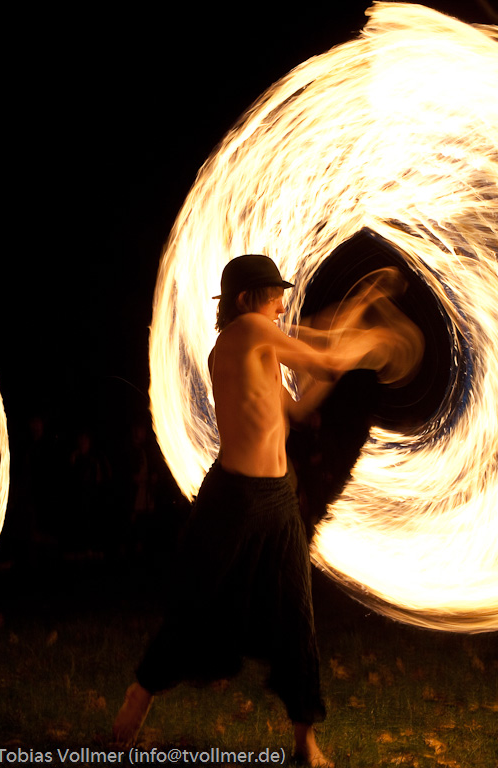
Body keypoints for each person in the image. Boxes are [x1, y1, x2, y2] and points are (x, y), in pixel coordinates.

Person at [113, 254, 420, 766]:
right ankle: (141, 692)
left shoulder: (258, 344)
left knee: (297, 613)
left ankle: (304, 740)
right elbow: (324, 357)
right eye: (275, 294)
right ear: (245, 299)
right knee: (197, 602)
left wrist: (365, 303)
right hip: (234, 498)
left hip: (278, 496)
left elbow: (296, 407)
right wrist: (376, 342)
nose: (282, 303)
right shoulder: (247, 334)